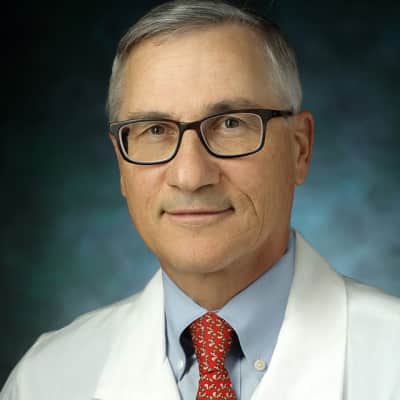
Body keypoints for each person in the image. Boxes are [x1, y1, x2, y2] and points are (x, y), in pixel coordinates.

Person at [1, 1, 399, 399]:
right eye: (155, 130)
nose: (190, 176)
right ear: (121, 163)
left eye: (231, 123)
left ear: (299, 149)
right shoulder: (45, 379)